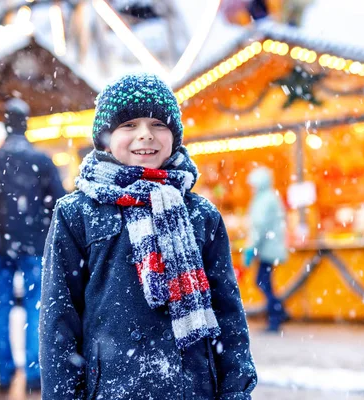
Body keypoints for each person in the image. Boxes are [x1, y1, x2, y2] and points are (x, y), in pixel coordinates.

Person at [40, 73, 257, 399]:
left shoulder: (201, 215)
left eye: (159, 124)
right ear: (104, 138)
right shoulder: (76, 214)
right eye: (129, 125)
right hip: (113, 388)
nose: (146, 135)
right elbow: (59, 319)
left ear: (175, 137)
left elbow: (228, 313)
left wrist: (236, 391)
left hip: (192, 387)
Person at [0, 98, 66, 393]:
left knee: (1, 306)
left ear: (5, 123)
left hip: (0, 246)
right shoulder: (42, 161)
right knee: (36, 308)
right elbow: (58, 203)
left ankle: (3, 372)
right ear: (25, 123)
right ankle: (35, 374)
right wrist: (42, 232)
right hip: (34, 246)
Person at [243, 167, 289, 332]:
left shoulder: (264, 200)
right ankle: (279, 311)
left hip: (267, 249)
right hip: (270, 247)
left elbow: (259, 227)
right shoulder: (269, 197)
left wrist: (251, 248)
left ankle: (277, 315)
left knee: (262, 282)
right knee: (265, 282)